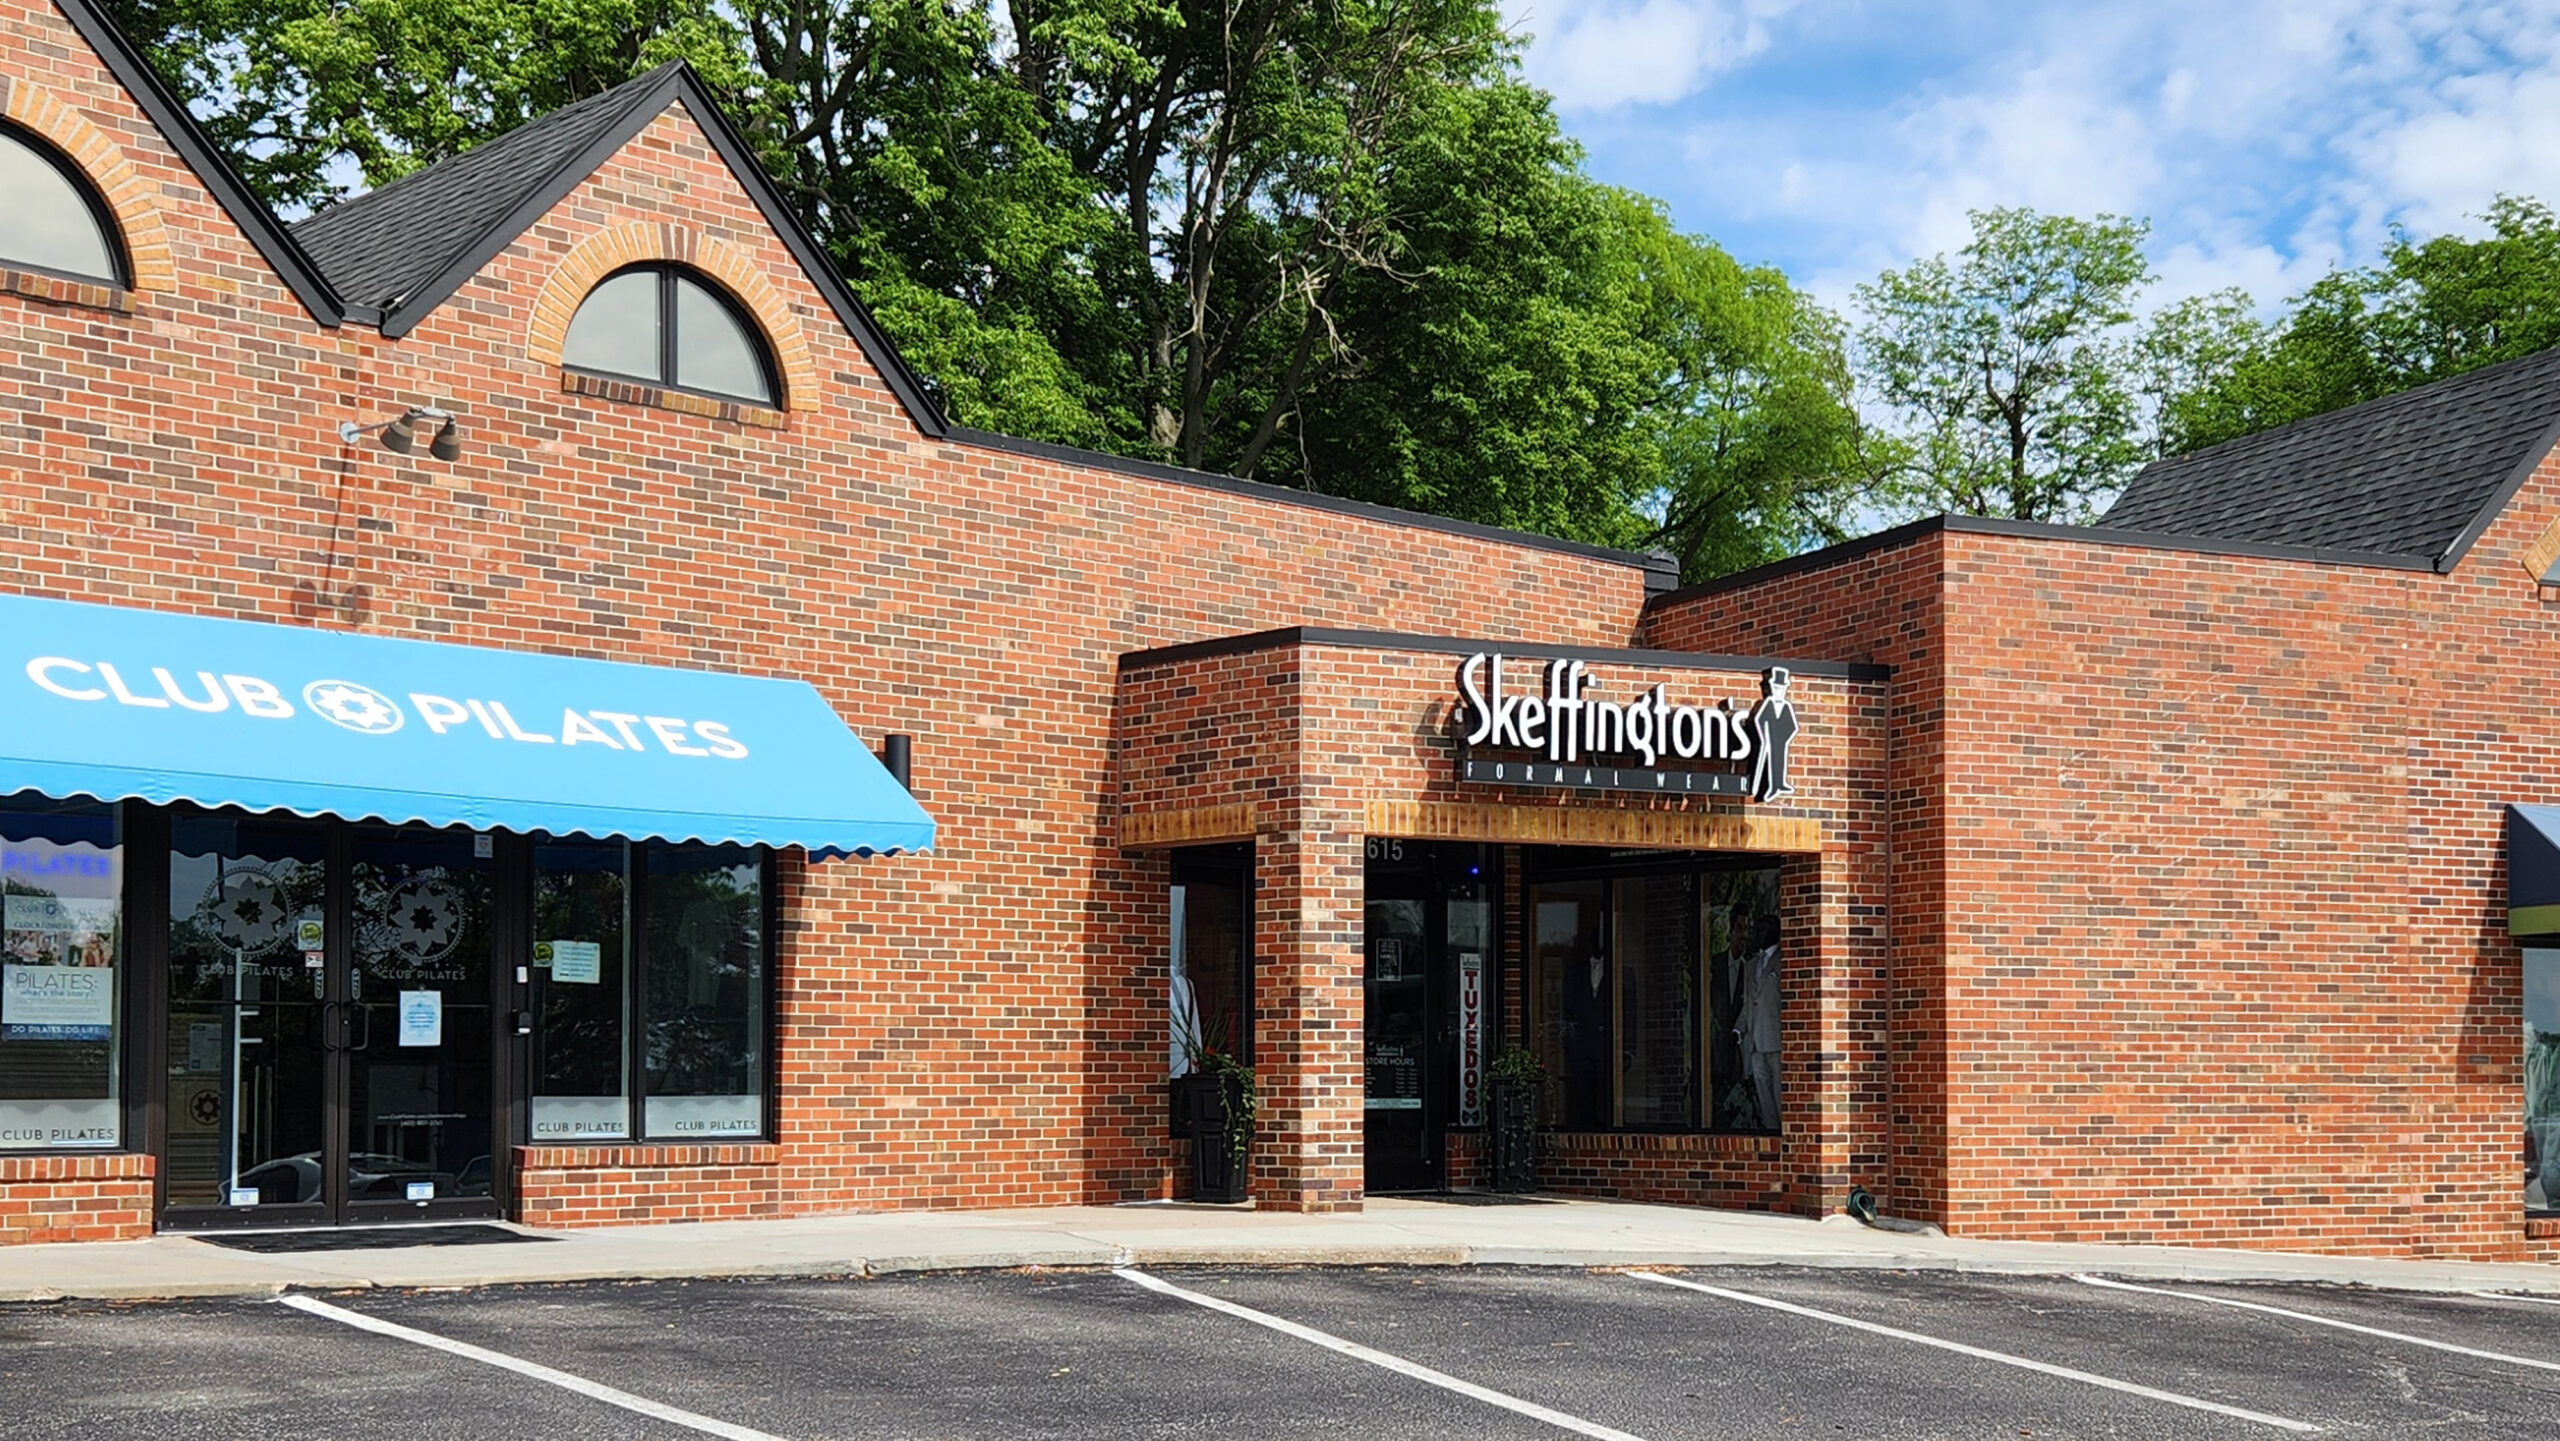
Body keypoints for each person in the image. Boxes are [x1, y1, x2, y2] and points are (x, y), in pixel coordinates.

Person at [1748, 668, 1798, 801]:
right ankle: (1765, 787)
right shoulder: (1765, 705)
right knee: (1763, 766)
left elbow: (1792, 726)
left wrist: (1783, 738)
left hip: (1780, 742)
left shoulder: (1786, 706)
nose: (1778, 692)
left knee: (1778, 763)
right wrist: (1765, 736)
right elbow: (1758, 721)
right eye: (1775, 688)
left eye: (1781, 688)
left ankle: (1779, 784)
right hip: (1766, 742)